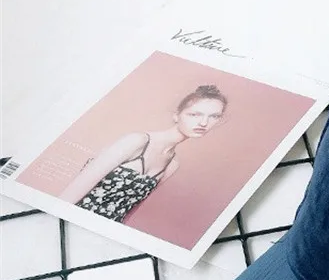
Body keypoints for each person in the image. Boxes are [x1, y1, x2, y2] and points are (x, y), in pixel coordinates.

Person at [60, 84, 227, 223]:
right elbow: (73, 191)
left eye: (214, 116)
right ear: (177, 116)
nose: (204, 123)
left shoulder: (172, 164)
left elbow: (130, 210)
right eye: (194, 114)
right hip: (73, 219)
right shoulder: (136, 141)